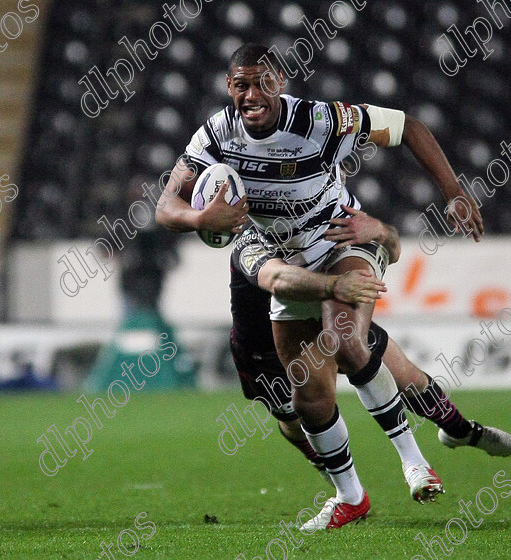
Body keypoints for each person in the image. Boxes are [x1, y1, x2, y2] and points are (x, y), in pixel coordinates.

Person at [156, 44, 484, 529]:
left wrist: (453, 191)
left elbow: (408, 126)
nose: (252, 94)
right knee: (299, 395)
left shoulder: (322, 120)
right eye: (241, 84)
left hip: (338, 239)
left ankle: (415, 461)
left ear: (281, 80)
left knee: (346, 338)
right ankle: (350, 494)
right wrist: (200, 217)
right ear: (229, 87)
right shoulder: (215, 134)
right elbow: (166, 205)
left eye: (262, 81)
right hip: (277, 259)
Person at [228, 216, 511, 484]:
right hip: (264, 351)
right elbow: (277, 279)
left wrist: (382, 230)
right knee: (296, 420)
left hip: (329, 321)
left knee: (407, 377)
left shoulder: (332, 216)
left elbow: (392, 251)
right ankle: (331, 472)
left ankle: (460, 430)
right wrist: (336, 284)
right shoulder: (252, 240)